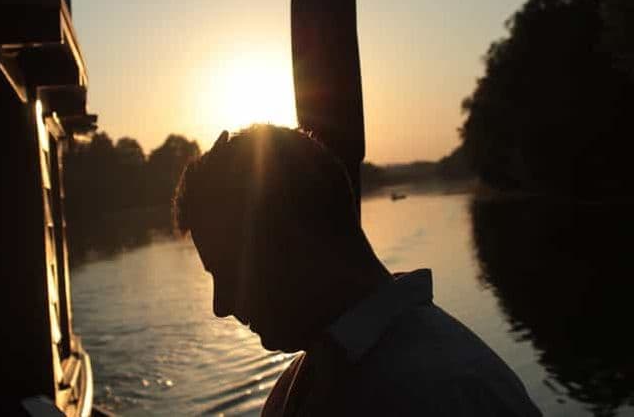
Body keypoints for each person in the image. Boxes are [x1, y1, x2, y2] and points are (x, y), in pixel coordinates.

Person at [172, 124, 541, 416]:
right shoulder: (301, 385)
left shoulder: (449, 395)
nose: (221, 306)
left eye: (230, 272)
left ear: (296, 238)